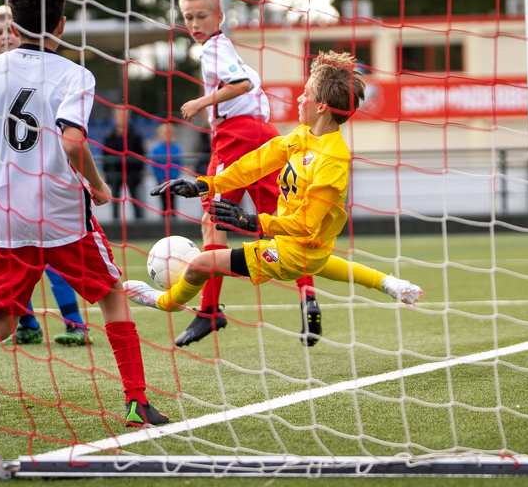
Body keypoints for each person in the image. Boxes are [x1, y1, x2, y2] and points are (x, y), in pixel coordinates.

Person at [0, 0, 168, 437]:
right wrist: (99, 185)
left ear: (14, 23)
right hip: (63, 215)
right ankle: (136, 402)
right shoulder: (74, 75)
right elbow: (72, 143)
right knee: (110, 293)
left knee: (4, 320)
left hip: (3, 216)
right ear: (62, 24)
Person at [124, 52, 423, 329]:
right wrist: (206, 184)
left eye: (306, 93)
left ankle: (164, 302)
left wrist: (253, 222)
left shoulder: (332, 162)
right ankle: (388, 283)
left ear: (320, 106)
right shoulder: (304, 136)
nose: (299, 98)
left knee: (201, 264)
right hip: (308, 249)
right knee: (318, 262)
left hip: (293, 250)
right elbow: (255, 163)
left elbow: (305, 226)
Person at [174, 0, 321, 348]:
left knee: (213, 219)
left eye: (202, 16)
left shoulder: (213, 48)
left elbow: (245, 82)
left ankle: (210, 310)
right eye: (188, 17)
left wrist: (201, 102)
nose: (195, 23)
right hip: (265, 136)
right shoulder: (225, 47)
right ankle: (308, 296)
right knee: (281, 224)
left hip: (236, 138)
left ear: (219, 17)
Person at [0, 5, 91, 347]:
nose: (4, 37)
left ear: (16, 30)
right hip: (8, 196)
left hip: (39, 194)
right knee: (17, 271)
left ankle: (74, 322)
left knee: (47, 265)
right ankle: (28, 322)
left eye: (7, 30)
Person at [104, 107, 147, 220]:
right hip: (115, 173)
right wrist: (108, 173)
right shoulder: (110, 136)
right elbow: (105, 155)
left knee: (136, 200)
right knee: (115, 201)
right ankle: (115, 223)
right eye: (118, 116)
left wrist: (138, 172)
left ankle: (139, 224)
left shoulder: (135, 135)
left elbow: (141, 154)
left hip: (132, 173)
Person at [149, 124, 182, 213]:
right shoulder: (156, 149)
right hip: (162, 181)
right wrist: (160, 178)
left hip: (173, 180)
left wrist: (175, 177)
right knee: (163, 203)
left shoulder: (176, 148)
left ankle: (174, 221)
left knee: (173, 202)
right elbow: (154, 165)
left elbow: (179, 163)